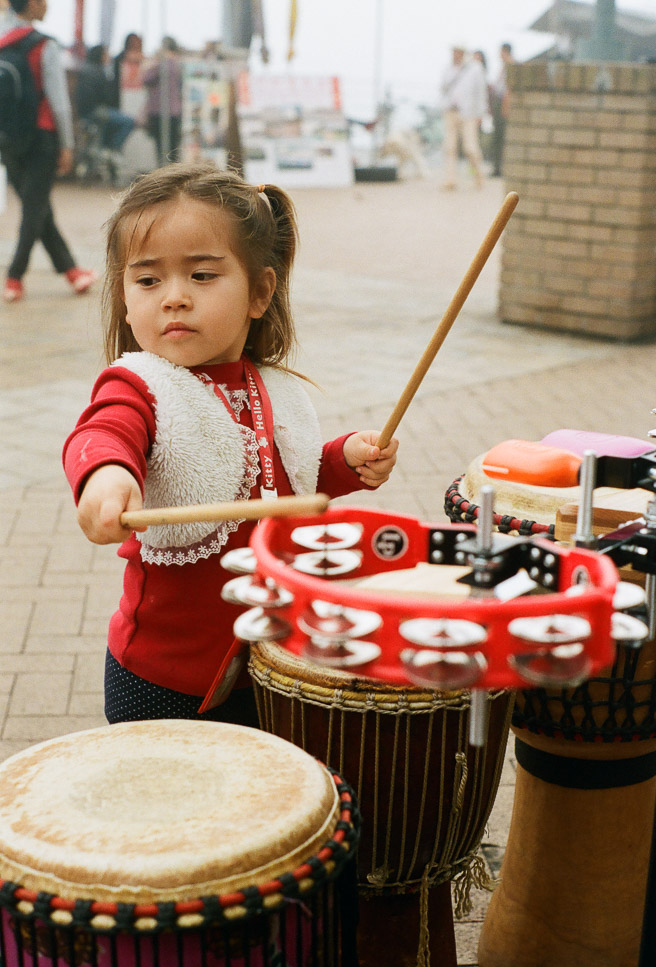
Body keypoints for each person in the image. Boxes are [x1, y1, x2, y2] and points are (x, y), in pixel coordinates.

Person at [63, 163, 399, 728]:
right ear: (124, 299)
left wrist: (344, 461)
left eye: (201, 276)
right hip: (165, 675)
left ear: (259, 292)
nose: (173, 298)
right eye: (148, 281)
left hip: (271, 659)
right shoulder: (140, 384)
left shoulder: (273, 386)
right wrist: (106, 476)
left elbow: (291, 477)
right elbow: (103, 432)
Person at [0, 0, 96, 303]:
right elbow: (58, 101)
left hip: (8, 137)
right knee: (34, 207)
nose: (48, 5)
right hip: (42, 135)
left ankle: (72, 271)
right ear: (30, 4)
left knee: (37, 205)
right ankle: (15, 275)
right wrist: (67, 144)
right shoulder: (45, 45)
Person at [74, 44, 136, 156]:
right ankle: (112, 150)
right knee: (129, 122)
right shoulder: (99, 72)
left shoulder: (86, 69)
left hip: (85, 112)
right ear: (101, 56)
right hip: (96, 111)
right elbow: (106, 97)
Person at [440, 44, 487, 189]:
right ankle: (451, 180)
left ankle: (479, 175)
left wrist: (480, 114)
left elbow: (481, 92)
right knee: (450, 147)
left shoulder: (475, 69)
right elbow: (443, 89)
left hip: (468, 114)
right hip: (450, 111)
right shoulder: (448, 69)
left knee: (470, 147)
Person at [142, 35, 183, 165]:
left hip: (159, 111)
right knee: (173, 148)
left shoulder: (161, 64)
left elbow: (146, 79)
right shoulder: (178, 64)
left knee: (161, 147)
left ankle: (163, 174)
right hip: (175, 110)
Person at [490, 42, 514, 178]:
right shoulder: (504, 66)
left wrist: (505, 106)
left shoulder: (510, 65)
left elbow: (509, 89)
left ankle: (500, 168)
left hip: (504, 104)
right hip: (499, 103)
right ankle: (496, 167)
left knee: (501, 137)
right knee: (497, 137)